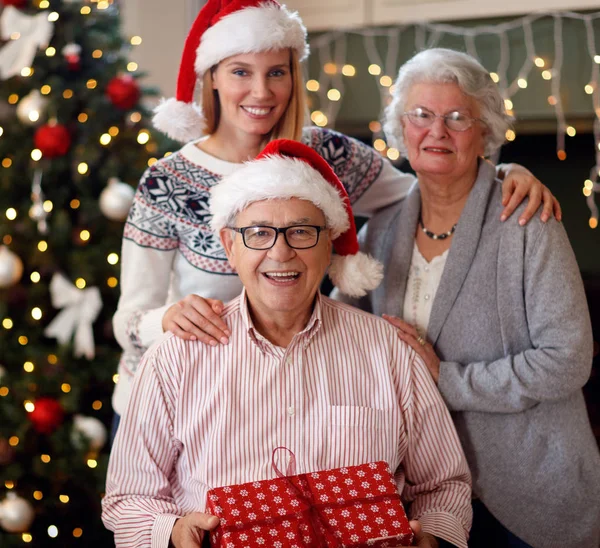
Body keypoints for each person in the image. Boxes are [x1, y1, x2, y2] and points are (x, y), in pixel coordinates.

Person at [111, 0, 560, 435]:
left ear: (293, 77)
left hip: (274, 410)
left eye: (277, 73)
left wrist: (503, 172)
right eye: (240, 72)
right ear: (211, 77)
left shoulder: (327, 155)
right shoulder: (167, 182)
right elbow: (128, 321)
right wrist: (167, 319)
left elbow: (430, 189)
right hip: (171, 408)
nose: (261, 92)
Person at [102, 139, 473, 548]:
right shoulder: (176, 357)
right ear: (230, 245)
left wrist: (434, 536)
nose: (280, 253)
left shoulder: (387, 350)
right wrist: (172, 533)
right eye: (259, 233)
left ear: (329, 242)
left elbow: (445, 485)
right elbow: (128, 499)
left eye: (301, 232)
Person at [338, 48, 600, 548]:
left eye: (457, 117)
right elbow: (337, 329)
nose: (436, 130)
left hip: (530, 494)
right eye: (421, 115)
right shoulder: (380, 230)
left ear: (485, 132)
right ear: (400, 127)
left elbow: (567, 360)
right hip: (421, 498)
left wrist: (447, 379)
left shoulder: (527, 221)